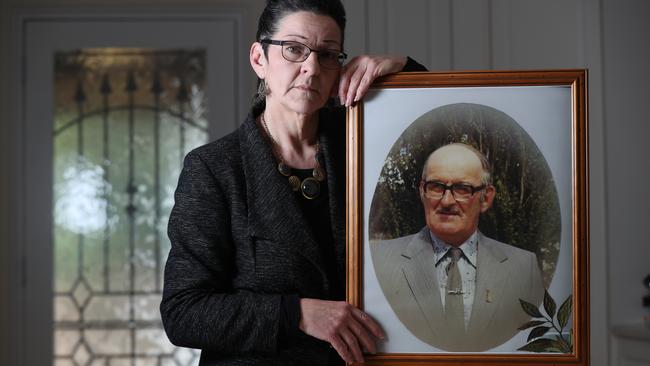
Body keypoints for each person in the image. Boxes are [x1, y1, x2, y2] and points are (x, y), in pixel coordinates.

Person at [159, 0, 427, 364]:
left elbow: (435, 129)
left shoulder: (363, 144)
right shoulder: (213, 168)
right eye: (294, 49)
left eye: (328, 55)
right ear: (259, 59)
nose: (312, 67)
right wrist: (296, 314)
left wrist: (403, 68)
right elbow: (183, 312)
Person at [371, 143, 544, 351]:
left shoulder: (523, 268)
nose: (446, 201)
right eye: (436, 186)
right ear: (421, 191)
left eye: (462, 189)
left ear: (486, 198)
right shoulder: (379, 260)